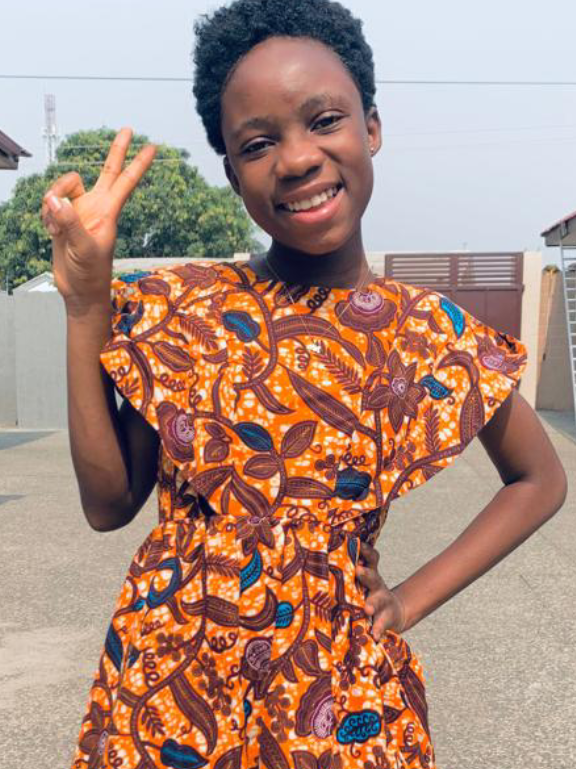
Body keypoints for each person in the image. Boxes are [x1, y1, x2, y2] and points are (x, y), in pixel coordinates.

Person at [42, 1, 567, 767]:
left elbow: (539, 479)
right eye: (258, 143)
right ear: (232, 172)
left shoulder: (425, 333)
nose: (295, 158)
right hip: (169, 695)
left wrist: (410, 598)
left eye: (324, 121)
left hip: (337, 693)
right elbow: (107, 502)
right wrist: (86, 304)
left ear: (372, 126)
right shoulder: (190, 312)